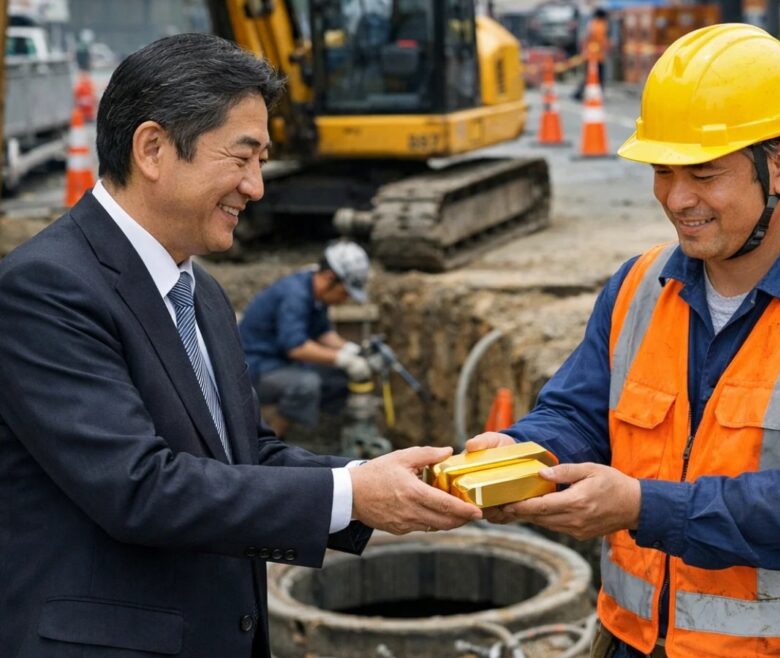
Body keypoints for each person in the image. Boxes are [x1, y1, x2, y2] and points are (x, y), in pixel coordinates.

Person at [0, 33, 481, 657]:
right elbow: (138, 487)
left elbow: (242, 454)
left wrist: (368, 478)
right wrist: (350, 495)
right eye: (242, 157)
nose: (255, 186)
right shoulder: (47, 288)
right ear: (153, 149)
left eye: (262, 160)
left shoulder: (200, 292)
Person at [468, 23, 780, 658]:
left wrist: (640, 507)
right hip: (634, 642)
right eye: (663, 171)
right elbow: (577, 413)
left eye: (704, 175)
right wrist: (519, 453)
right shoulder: (638, 286)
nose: (677, 198)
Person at [239, 240, 374, 437]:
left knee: (337, 378)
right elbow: (296, 347)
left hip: (278, 362)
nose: (345, 299)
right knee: (305, 385)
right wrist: (343, 359)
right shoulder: (295, 295)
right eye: (345, 292)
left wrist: (351, 349)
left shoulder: (316, 293)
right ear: (329, 278)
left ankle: (317, 435)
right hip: (255, 368)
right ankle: (269, 445)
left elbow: (322, 333)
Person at [572, 7, 608, 102]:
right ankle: (591, 94)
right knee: (597, 77)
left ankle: (579, 93)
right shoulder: (601, 26)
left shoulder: (591, 24)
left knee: (590, 76)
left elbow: (585, 39)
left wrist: (584, 50)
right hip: (597, 57)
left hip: (590, 56)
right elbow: (603, 42)